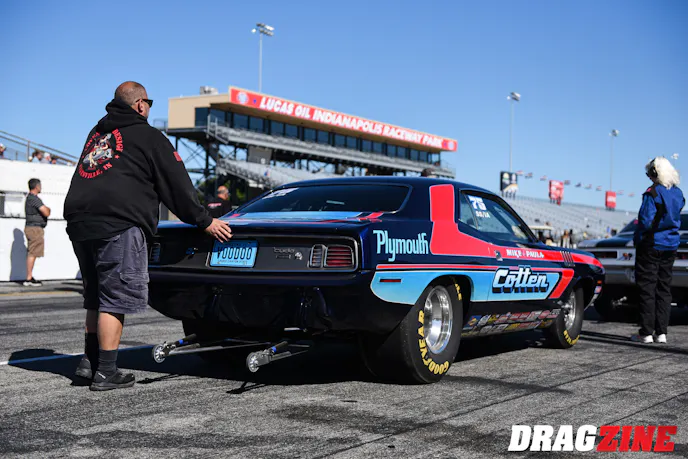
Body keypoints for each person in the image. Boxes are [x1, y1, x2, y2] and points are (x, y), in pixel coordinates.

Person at [64, 81, 232, 391]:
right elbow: (176, 184)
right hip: (118, 221)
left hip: (79, 221)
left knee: (95, 296)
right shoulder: (149, 136)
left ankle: (89, 362)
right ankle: (106, 371)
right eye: (149, 103)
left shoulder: (97, 133)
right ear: (141, 104)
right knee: (113, 299)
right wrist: (204, 220)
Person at [632, 157, 685, 344]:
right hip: (671, 246)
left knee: (647, 288)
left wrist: (638, 239)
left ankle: (646, 333)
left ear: (655, 173)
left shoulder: (653, 193)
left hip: (652, 244)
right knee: (664, 289)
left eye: (649, 173)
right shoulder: (678, 193)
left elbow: (645, 221)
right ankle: (661, 333)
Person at [24, 178, 51, 286]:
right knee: (33, 252)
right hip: (34, 229)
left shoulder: (30, 198)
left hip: (33, 228)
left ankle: (29, 277)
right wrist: (48, 209)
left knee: (33, 252)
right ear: (37, 186)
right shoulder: (34, 199)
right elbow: (46, 212)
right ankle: (29, 278)